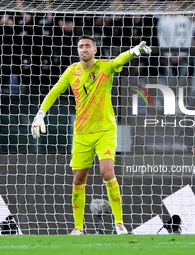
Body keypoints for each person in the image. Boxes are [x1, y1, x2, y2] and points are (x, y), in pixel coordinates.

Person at [31, 35, 151, 235]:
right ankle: (78, 228)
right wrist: (40, 114)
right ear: (78, 50)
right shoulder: (72, 71)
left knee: (107, 171)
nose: (84, 49)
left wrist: (134, 52)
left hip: (105, 130)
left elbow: (119, 60)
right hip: (82, 133)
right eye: (80, 46)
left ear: (95, 50)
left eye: (88, 46)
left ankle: (119, 223)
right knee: (78, 179)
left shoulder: (104, 67)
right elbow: (54, 91)